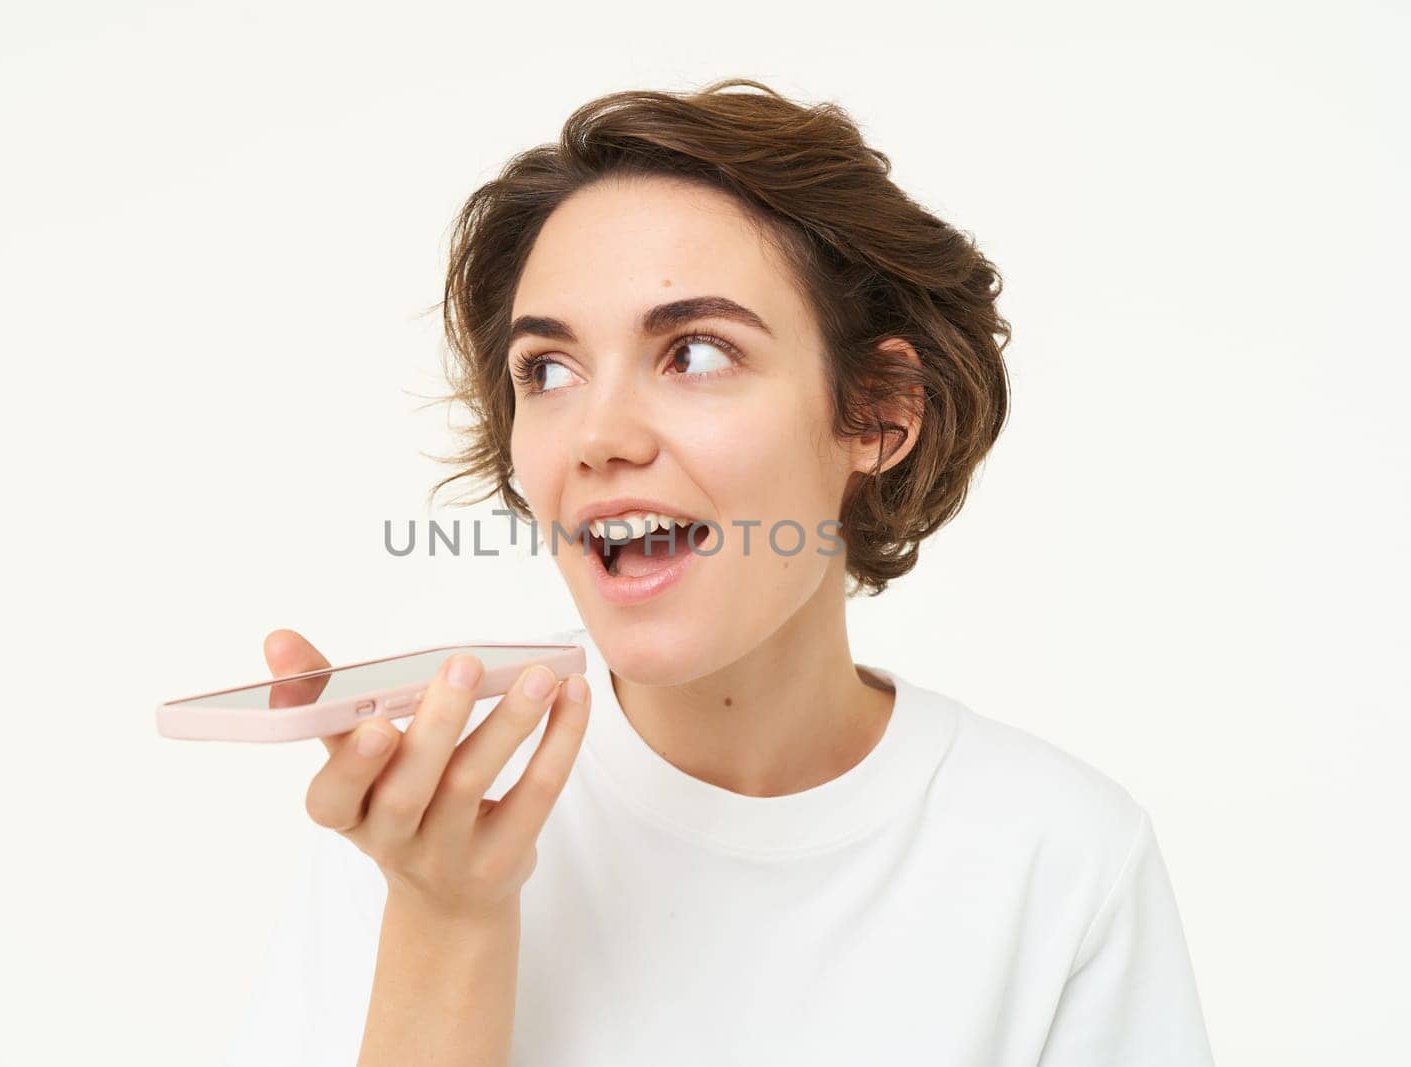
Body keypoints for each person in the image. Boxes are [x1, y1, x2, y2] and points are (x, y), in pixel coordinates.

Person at [225, 79, 1215, 1066]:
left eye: (694, 353)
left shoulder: (1059, 857)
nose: (598, 436)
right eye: (549, 371)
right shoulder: (419, 818)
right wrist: (447, 915)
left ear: (876, 415)